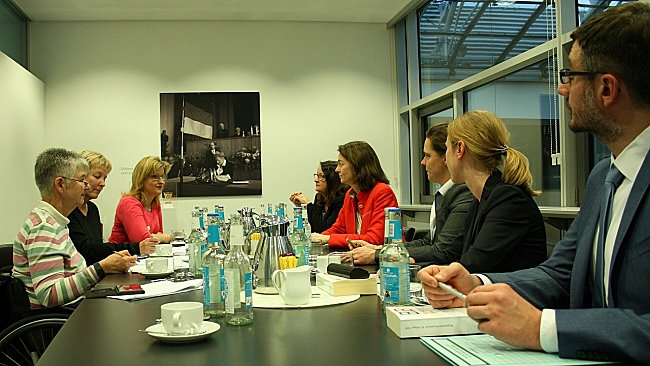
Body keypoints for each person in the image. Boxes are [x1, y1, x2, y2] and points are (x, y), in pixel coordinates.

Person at [419, 3, 650, 363]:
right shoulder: (602, 177)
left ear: (606, 88)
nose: (561, 90)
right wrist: (476, 283)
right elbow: (561, 274)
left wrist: (543, 328)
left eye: (570, 76)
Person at [415, 110, 547, 273]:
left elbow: (472, 264)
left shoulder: (507, 200)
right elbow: (451, 252)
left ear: (460, 149)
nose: (446, 159)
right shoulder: (482, 198)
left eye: (447, 148)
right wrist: (407, 267)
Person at [13, 148, 135, 309]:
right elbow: (49, 295)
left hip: (75, 307)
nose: (85, 187)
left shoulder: (55, 223)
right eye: (82, 180)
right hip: (62, 319)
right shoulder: (43, 228)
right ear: (61, 184)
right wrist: (102, 268)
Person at [349, 123, 473, 265]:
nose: (422, 162)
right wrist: (382, 248)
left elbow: (442, 250)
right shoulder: (444, 194)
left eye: (427, 156)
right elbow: (428, 241)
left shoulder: (463, 193)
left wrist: (378, 254)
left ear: (446, 157)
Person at [68, 150, 158, 265]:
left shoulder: (92, 209)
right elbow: (87, 250)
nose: (102, 183)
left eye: (104, 178)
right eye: (97, 176)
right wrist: (137, 247)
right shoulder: (69, 210)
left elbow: (97, 250)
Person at [311, 141, 399, 249]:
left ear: (356, 165)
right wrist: (317, 238)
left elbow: (374, 240)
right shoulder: (350, 194)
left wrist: (328, 239)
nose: (337, 170)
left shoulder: (382, 192)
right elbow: (338, 229)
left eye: (341, 164)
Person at [109, 156, 173, 244]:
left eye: (162, 176)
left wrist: (156, 236)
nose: (161, 181)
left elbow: (158, 237)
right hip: (121, 256)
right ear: (141, 180)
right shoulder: (129, 203)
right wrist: (162, 237)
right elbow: (141, 240)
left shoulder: (155, 204)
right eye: (155, 177)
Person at [289, 160, 350, 233]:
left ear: (332, 179)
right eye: (317, 176)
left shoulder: (342, 200)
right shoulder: (319, 197)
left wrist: (308, 204)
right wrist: (300, 207)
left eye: (321, 176)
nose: (316, 180)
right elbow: (312, 227)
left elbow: (324, 229)